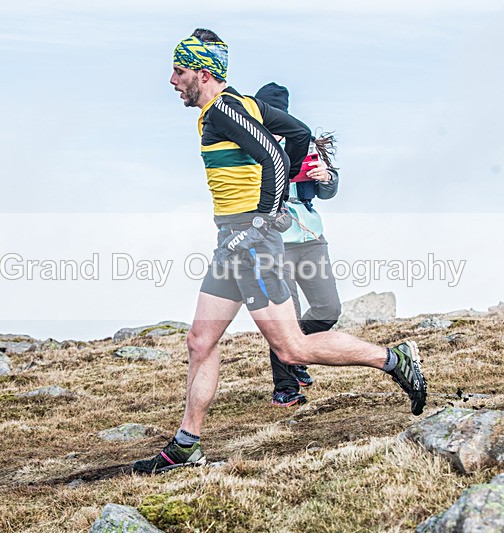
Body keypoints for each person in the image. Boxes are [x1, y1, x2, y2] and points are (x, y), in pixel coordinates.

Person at [132, 29, 427, 474]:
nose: (172, 80)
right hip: (232, 241)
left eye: (179, 70)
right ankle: (186, 446)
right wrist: (275, 192)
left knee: (291, 348)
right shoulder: (242, 105)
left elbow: (271, 152)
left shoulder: (225, 109)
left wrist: (264, 216)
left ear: (204, 72)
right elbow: (300, 133)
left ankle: (392, 359)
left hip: (251, 242)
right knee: (200, 340)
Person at [254, 82, 341, 407]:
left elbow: (327, 193)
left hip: (311, 240)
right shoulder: (248, 146)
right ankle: (285, 388)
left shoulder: (304, 143)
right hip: (271, 244)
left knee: (328, 310)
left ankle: (295, 351)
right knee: (286, 316)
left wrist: (326, 177)